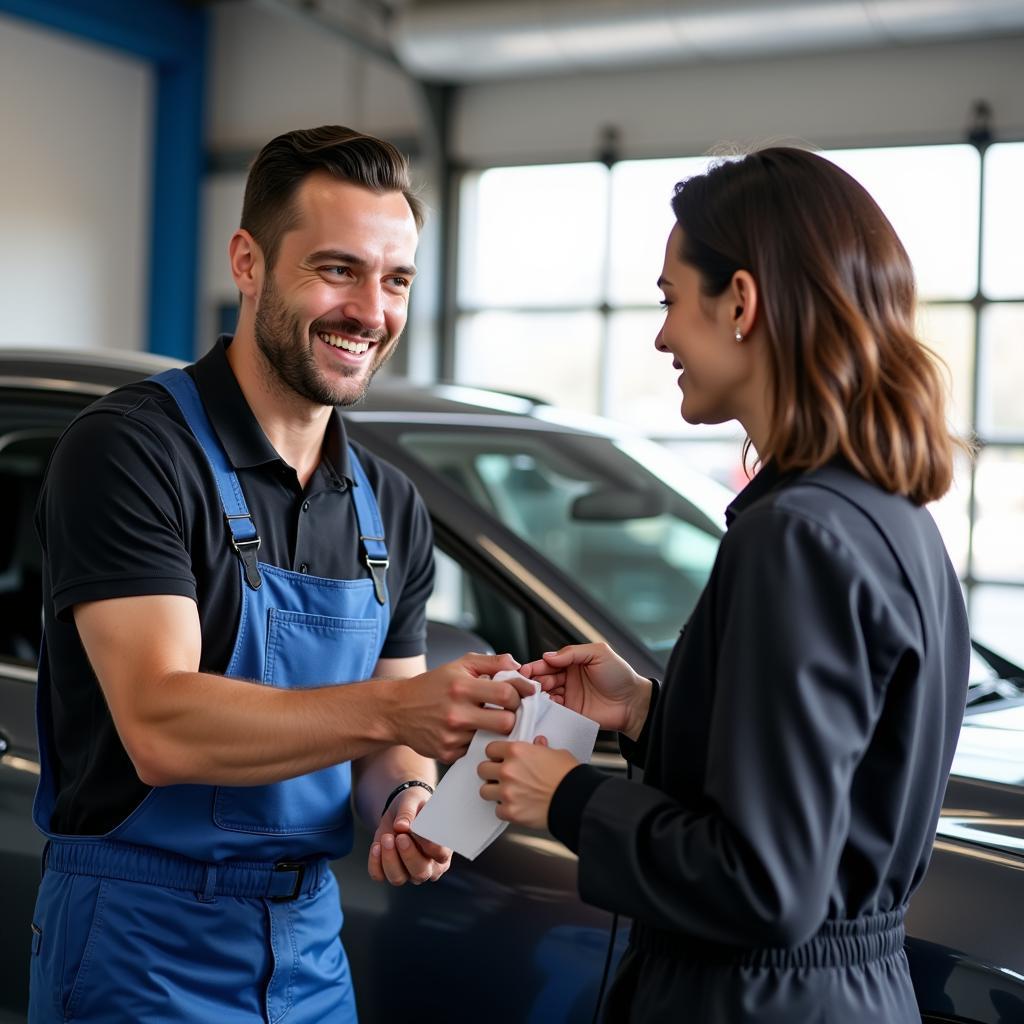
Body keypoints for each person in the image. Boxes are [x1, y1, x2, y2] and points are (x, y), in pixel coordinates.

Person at [29, 125, 532, 1024]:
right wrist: (396, 715)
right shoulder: (131, 453)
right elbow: (160, 725)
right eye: (336, 270)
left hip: (307, 949)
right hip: (140, 944)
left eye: (396, 280)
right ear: (248, 262)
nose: (370, 311)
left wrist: (407, 799)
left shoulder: (389, 505)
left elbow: (392, 733)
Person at [478, 147, 971, 1023]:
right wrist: (645, 714)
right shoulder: (889, 515)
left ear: (740, 301)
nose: (663, 335)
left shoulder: (795, 535)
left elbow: (765, 883)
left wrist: (568, 795)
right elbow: (828, 782)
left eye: (671, 300)